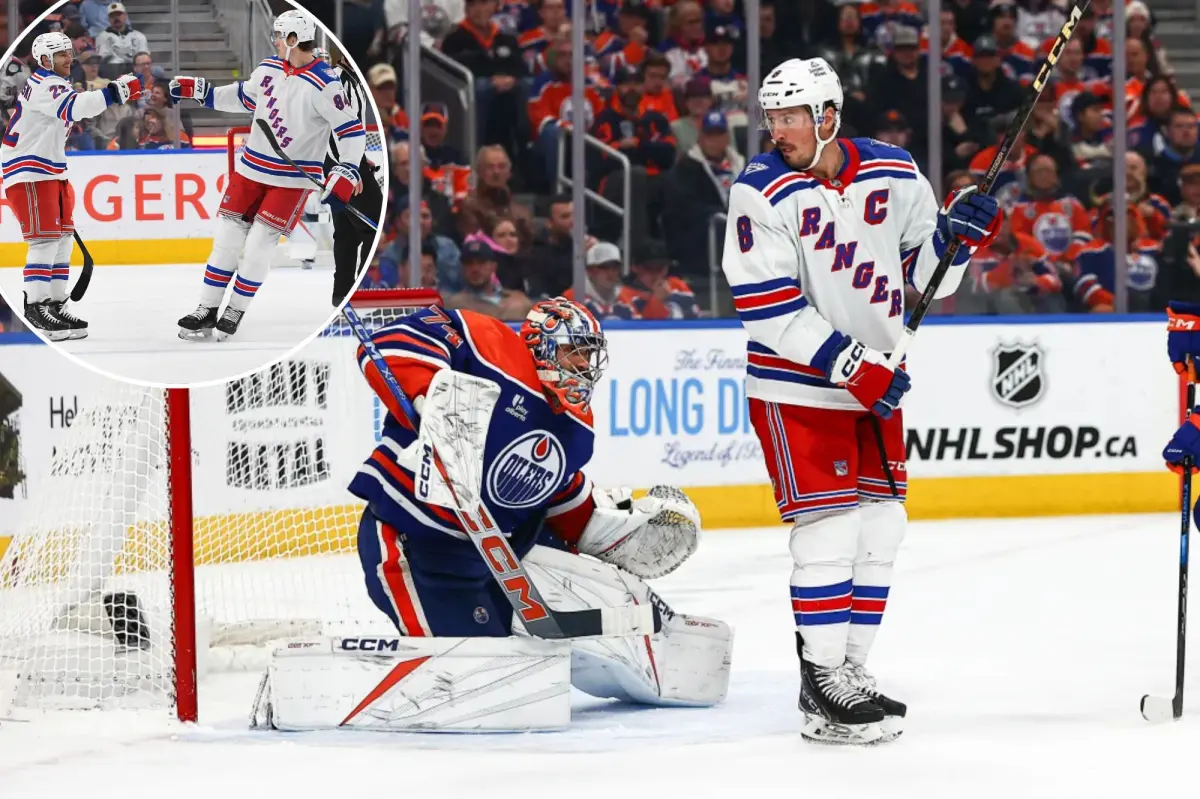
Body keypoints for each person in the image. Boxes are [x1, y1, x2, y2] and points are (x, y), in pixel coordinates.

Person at [721, 57, 1000, 745]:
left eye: (791, 116)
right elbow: (765, 304)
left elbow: (926, 277)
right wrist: (851, 365)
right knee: (828, 532)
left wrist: (956, 242)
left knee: (883, 528)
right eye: (772, 117)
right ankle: (819, 682)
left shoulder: (895, 172)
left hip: (873, 381)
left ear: (827, 116)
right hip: (796, 387)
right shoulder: (760, 189)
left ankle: (850, 670)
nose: (777, 129)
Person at [343, 298, 731, 726]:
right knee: (466, 680)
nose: (583, 365)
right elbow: (392, 343)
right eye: (573, 351)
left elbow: (559, 497)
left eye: (588, 354)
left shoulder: (575, 429)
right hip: (410, 542)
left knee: (500, 677)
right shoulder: (491, 345)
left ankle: (638, 641)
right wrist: (430, 396)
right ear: (541, 345)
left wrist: (609, 528)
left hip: (484, 561)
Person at [169, 9, 366, 340]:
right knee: (226, 241)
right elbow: (243, 96)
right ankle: (207, 307)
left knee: (260, 245)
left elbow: (352, 132)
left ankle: (235, 310)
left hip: (291, 181)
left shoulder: (326, 85)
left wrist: (347, 168)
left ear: (293, 40)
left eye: (279, 36)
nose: (274, 41)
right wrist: (205, 92)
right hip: (250, 170)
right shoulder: (269, 69)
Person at [0, 31, 142, 341]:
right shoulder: (45, 84)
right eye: (62, 54)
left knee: (62, 240)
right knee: (44, 242)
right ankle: (36, 307)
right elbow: (76, 108)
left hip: (48, 170)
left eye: (68, 52)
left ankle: (55, 303)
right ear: (46, 59)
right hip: (29, 171)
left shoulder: (54, 82)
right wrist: (115, 92)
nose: (69, 58)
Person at [316, 45, 382, 307]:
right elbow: (335, 131)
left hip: (344, 165)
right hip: (346, 169)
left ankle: (342, 292)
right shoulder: (340, 82)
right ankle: (362, 291)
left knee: (346, 233)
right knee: (372, 228)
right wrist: (350, 169)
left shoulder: (349, 80)